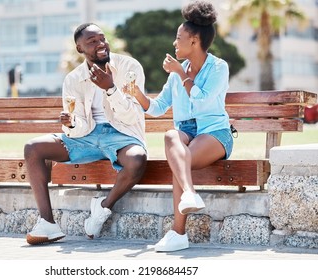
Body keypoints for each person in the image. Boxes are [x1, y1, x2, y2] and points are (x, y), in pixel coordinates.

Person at [123, 1, 233, 252]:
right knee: (172, 137)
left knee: (178, 160)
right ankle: (190, 196)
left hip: (214, 133)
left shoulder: (218, 67)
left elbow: (203, 98)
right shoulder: (177, 72)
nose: (174, 43)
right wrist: (137, 94)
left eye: (178, 38)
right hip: (186, 134)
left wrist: (180, 74)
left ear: (194, 41)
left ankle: (178, 233)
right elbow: (157, 107)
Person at [24, 23, 147, 245]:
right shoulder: (73, 79)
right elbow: (79, 125)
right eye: (92, 41)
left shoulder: (129, 67)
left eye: (102, 39)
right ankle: (47, 223)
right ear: (80, 49)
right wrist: (71, 124)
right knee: (33, 147)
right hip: (87, 137)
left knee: (137, 159)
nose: (100, 44)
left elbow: (132, 117)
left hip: (121, 133)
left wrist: (110, 89)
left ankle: (102, 208)